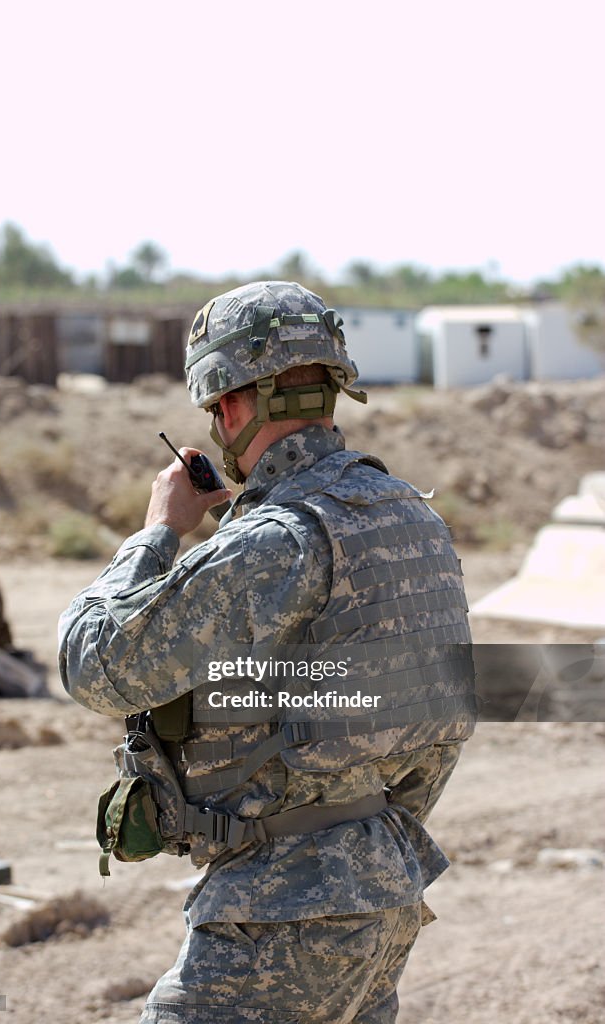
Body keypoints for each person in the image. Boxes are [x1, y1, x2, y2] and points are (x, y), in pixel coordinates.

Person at [58, 281, 477, 1024]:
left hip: (271, 919)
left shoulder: (274, 541)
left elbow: (94, 664)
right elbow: (441, 721)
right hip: (383, 892)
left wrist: (158, 532)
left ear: (229, 404)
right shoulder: (415, 520)